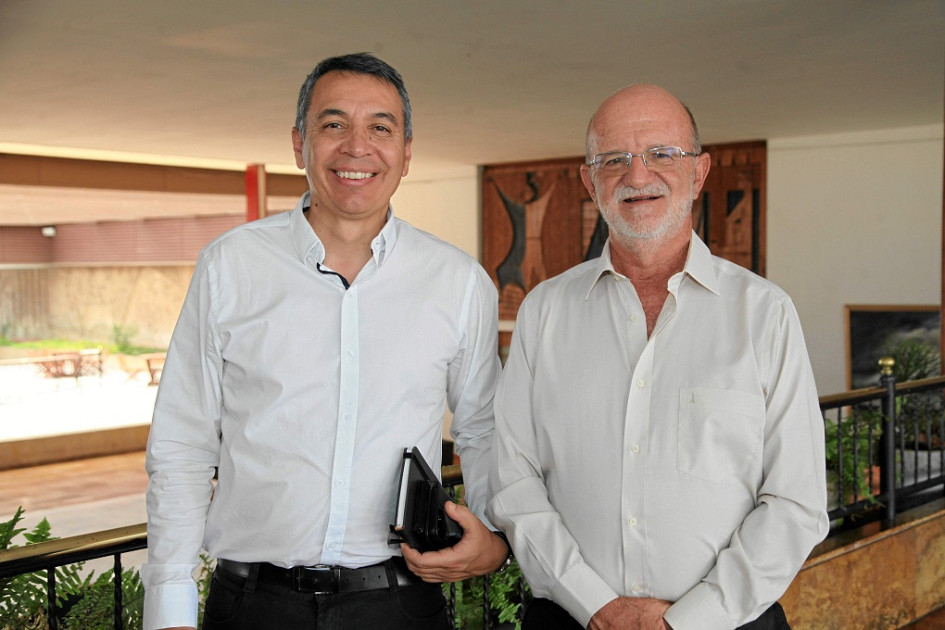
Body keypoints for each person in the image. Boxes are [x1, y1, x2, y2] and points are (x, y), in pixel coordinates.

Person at [142, 52, 510, 630]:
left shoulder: (458, 281)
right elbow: (183, 443)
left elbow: (483, 429)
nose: (357, 147)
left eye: (380, 128)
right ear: (300, 144)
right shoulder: (229, 266)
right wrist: (169, 606)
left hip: (400, 605)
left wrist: (492, 534)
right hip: (252, 607)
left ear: (406, 152)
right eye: (334, 124)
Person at [487, 84, 829, 630]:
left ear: (699, 173)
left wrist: (687, 621)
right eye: (613, 160)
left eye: (662, 154)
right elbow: (513, 480)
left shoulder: (766, 314)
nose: (638, 175)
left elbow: (795, 502)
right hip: (571, 620)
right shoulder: (543, 312)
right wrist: (595, 605)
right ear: (589, 181)